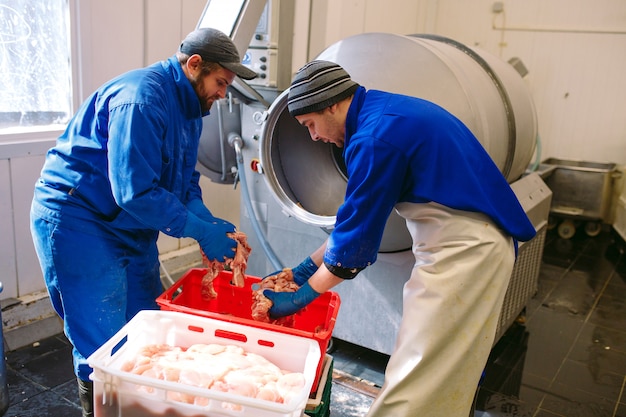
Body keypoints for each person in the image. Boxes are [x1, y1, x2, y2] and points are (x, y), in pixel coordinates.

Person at [262, 60, 537, 417]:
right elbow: (352, 223)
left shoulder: (373, 138)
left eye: (310, 124)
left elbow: (352, 251)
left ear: (331, 103)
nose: (313, 136)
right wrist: (302, 268)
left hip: (467, 251)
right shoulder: (380, 112)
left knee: (419, 371)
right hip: (460, 244)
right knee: (435, 366)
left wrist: (301, 296)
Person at [29, 28, 256, 417]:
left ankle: (136, 409)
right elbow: (133, 191)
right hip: (79, 220)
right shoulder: (141, 99)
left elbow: (184, 182)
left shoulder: (190, 110)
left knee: (146, 329)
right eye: (220, 83)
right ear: (195, 65)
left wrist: (207, 222)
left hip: (127, 225)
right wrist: (198, 230)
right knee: (103, 343)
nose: (222, 94)